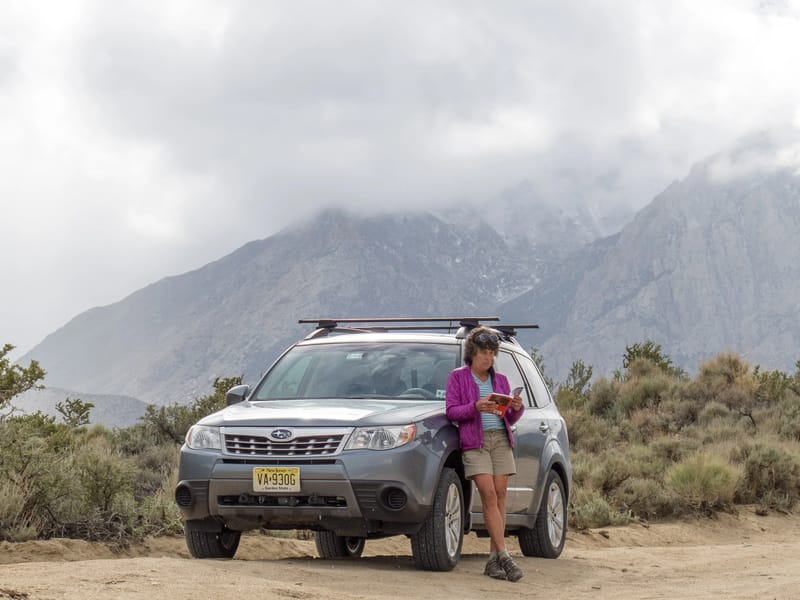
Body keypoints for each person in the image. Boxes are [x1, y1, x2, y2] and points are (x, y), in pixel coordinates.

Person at [445, 326, 525, 582]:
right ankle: (505, 555)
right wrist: (475, 407)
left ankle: (493, 560)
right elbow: (451, 411)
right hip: (475, 443)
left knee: (500, 496)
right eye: (483, 353)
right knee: (488, 494)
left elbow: (508, 418)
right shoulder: (458, 377)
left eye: (491, 353)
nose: (488, 358)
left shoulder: (500, 380)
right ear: (472, 353)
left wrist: (516, 408)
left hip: (500, 440)